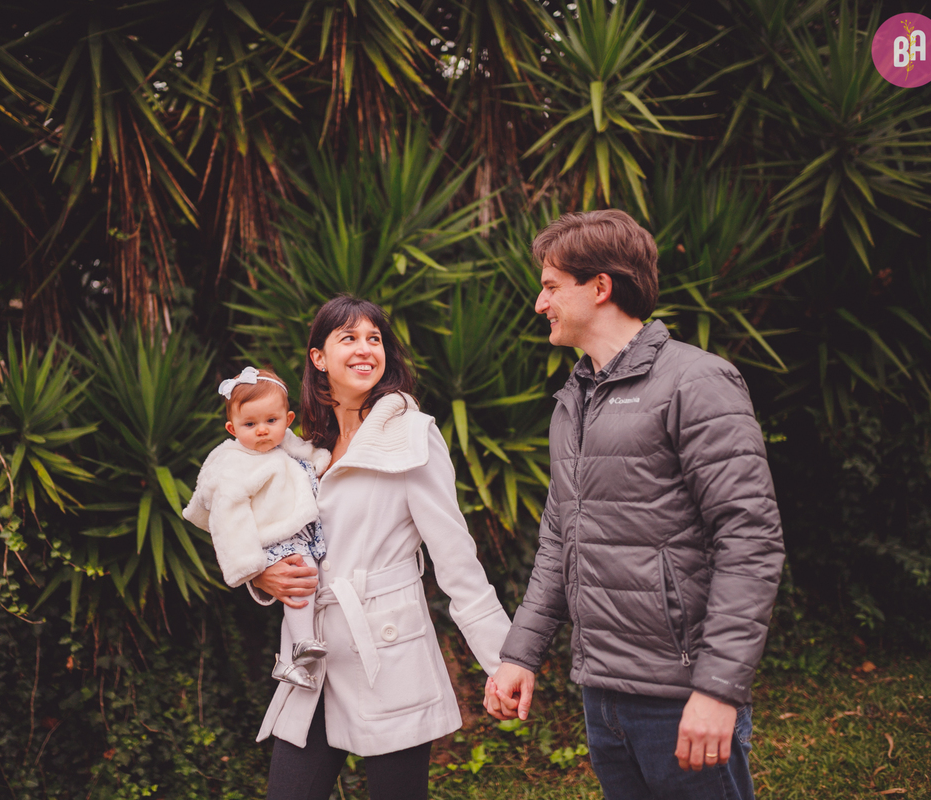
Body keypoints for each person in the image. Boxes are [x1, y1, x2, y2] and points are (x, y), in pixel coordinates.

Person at [484, 210, 785, 800]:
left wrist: (719, 689)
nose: (539, 303)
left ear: (600, 287)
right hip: (602, 695)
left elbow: (749, 541)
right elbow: (558, 540)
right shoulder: (573, 400)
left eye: (550, 286)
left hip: (681, 695)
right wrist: (521, 654)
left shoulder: (696, 382)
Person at [250, 295, 511, 800]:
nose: (365, 349)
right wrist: (263, 578)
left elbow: (456, 560)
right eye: (348, 338)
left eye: (375, 339)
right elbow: (278, 543)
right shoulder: (306, 451)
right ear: (318, 358)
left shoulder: (412, 437)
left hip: (386, 655)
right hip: (313, 659)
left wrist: (504, 663)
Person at [183, 367, 333, 688]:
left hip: (296, 532)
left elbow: (307, 453)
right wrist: (249, 566)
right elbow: (228, 519)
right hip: (274, 537)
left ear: (288, 420)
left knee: (300, 587)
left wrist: (321, 461)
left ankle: (287, 662)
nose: (262, 431)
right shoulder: (234, 465)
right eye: (250, 424)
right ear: (232, 428)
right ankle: (303, 641)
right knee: (300, 579)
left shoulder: (285, 445)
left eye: (271, 421)